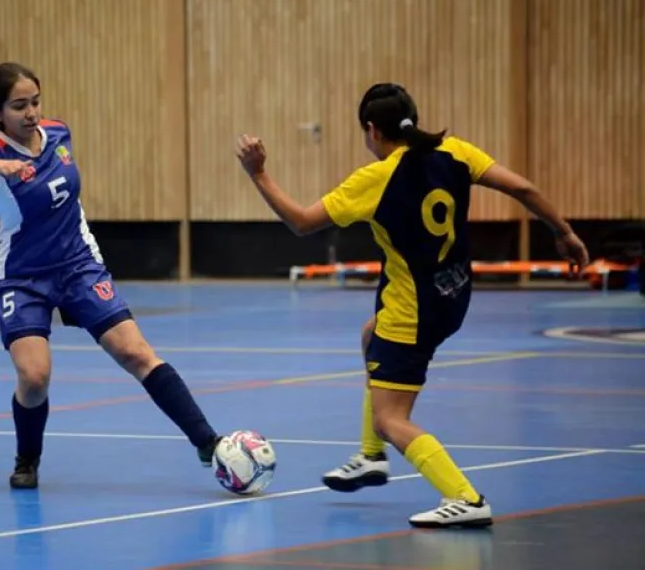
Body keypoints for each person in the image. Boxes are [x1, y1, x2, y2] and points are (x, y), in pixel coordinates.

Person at [236, 82, 589, 528]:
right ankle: (371, 458)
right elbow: (524, 188)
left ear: (371, 130)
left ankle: (464, 496)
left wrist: (259, 173)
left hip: (413, 313)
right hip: (454, 295)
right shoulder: (454, 151)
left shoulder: (377, 178)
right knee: (370, 335)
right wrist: (564, 232)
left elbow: (302, 222)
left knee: (392, 420)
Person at [0, 62, 225, 489]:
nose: (30, 113)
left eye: (35, 102)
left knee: (137, 354)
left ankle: (207, 442)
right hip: (22, 276)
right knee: (34, 377)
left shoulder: (59, 133)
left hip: (78, 264)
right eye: (18, 106)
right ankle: (27, 458)